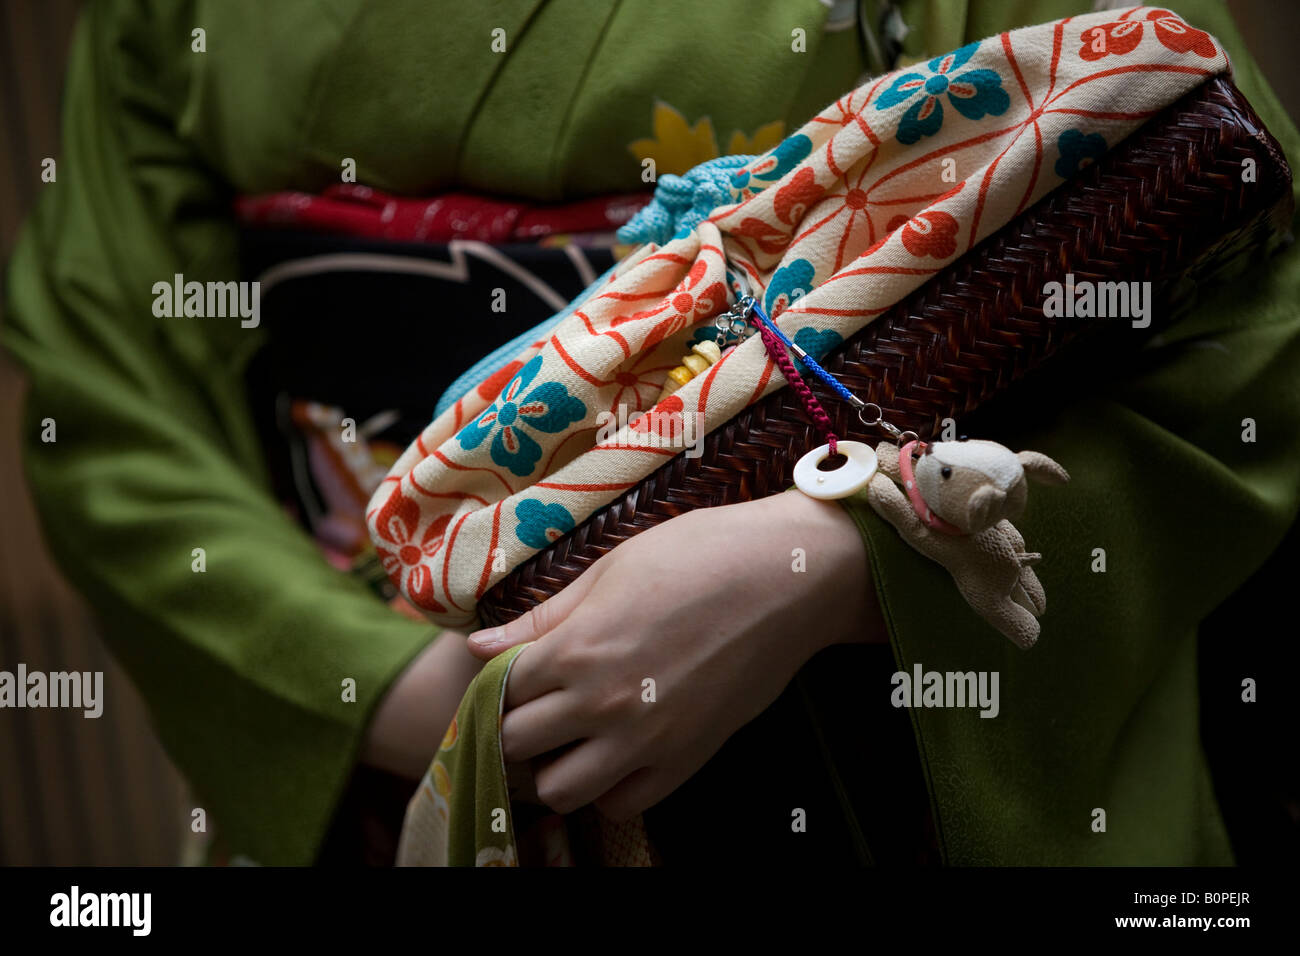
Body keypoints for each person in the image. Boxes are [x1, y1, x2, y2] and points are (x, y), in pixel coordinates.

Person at [5, 0, 1299, 866]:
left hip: (876, 734)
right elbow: (107, 375)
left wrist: (840, 559)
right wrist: (391, 692)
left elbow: (1251, 309)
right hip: (400, 692)